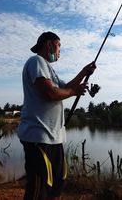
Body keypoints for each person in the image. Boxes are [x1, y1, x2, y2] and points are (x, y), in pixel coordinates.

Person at [18, 31, 96, 200]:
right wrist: (73, 91)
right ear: (49, 45)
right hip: (38, 137)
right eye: (59, 45)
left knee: (57, 185)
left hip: (54, 138)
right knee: (39, 190)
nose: (60, 50)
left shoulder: (48, 69)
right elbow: (51, 94)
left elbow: (66, 87)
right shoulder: (36, 61)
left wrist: (84, 72)